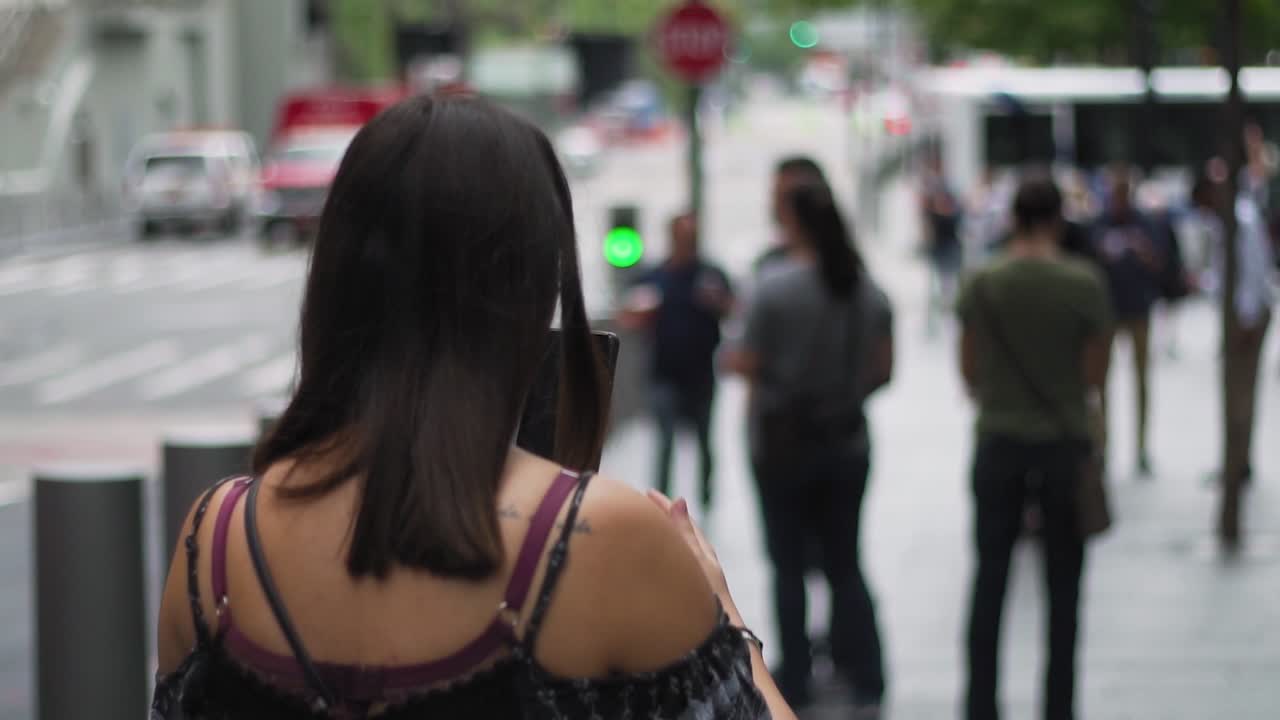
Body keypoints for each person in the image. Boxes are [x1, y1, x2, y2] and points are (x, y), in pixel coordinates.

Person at [151, 95, 796, 720]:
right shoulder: (601, 537)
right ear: (532, 289)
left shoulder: (214, 542)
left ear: (335, 280)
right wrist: (725, 618)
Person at [726, 180, 894, 714]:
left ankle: (793, 677)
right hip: (846, 442)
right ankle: (865, 668)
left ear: (791, 221)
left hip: (782, 444)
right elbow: (884, 370)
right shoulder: (866, 289)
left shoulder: (772, 287)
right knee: (846, 561)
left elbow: (742, 359)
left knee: (788, 565)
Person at [956, 174, 1112, 720]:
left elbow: (969, 372)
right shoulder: (1084, 284)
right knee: (1063, 589)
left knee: (990, 580)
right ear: (1056, 220)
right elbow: (1095, 375)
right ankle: (1059, 707)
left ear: (1013, 218)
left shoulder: (983, 281)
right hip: (1063, 447)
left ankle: (980, 704)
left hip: (998, 443)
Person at [620, 212, 733, 510]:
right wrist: (641, 313)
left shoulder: (711, 274)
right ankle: (661, 503)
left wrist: (717, 302)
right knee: (665, 441)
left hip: (701, 373)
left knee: (705, 443)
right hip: (664, 372)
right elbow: (628, 315)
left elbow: (734, 309)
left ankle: (707, 499)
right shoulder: (655, 276)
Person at [1190, 171, 1275, 485]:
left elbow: (1254, 270)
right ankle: (1237, 460)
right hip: (1240, 314)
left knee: (1241, 392)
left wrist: (1247, 321)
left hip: (1247, 316)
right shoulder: (1227, 221)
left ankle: (1238, 463)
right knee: (1237, 392)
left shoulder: (1241, 218)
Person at [1091, 173, 1163, 475]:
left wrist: (1140, 249)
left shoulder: (1145, 223)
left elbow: (1159, 261)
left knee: (1142, 381)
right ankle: (1103, 445)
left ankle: (1142, 446)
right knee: (1101, 382)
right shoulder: (1099, 223)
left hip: (1138, 309)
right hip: (1109, 310)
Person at [755, 155, 830, 274]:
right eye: (776, 197)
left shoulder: (840, 269)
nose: (778, 208)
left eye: (788, 199)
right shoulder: (768, 263)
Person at [921, 154, 964, 336]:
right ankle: (934, 326)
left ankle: (948, 322)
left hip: (949, 246)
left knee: (949, 286)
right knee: (936, 288)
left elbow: (957, 216)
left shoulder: (948, 192)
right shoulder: (931, 194)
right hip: (938, 248)